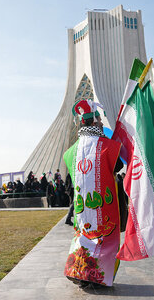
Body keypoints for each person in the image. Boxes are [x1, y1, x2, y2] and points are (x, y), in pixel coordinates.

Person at [63, 99, 124, 287]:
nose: (101, 122)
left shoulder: (70, 152)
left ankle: (79, 273)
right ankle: (98, 277)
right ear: (95, 121)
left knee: (83, 236)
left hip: (83, 208)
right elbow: (119, 165)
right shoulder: (108, 146)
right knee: (103, 240)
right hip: (103, 206)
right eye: (99, 118)